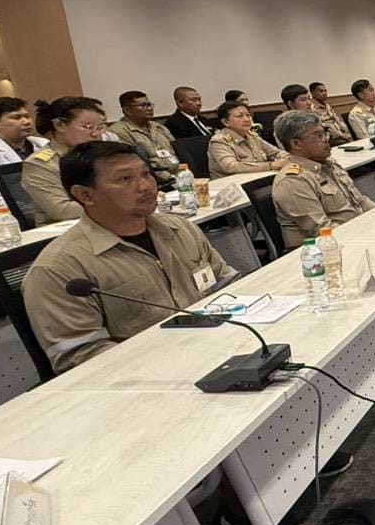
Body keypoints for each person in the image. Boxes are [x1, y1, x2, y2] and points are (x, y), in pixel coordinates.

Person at [22, 141, 238, 373]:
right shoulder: (58, 269)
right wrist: (175, 362)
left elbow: (228, 286)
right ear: (85, 194)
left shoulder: (180, 228)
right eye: (125, 179)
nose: (145, 186)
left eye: (146, 174)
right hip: (153, 379)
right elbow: (81, 356)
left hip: (218, 350)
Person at [271, 110, 375, 248]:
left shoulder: (329, 164)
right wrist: (369, 236)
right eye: (319, 136)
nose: (327, 139)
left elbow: (361, 201)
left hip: (356, 234)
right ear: (296, 144)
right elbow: (323, 230)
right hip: (323, 252)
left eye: (325, 133)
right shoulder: (292, 181)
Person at [23, 97, 108, 225]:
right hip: (63, 232)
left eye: (100, 127)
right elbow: (63, 211)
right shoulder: (40, 163)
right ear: (59, 125)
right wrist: (116, 201)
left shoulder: (101, 154)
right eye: (89, 127)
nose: (96, 134)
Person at [108, 90, 181, 189]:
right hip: (156, 182)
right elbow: (137, 164)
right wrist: (172, 178)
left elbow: (179, 150)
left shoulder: (158, 127)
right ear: (127, 110)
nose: (150, 108)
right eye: (143, 106)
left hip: (180, 175)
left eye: (150, 105)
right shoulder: (119, 132)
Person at [208, 100, 287, 176]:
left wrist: (287, 159)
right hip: (231, 185)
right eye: (239, 116)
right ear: (226, 122)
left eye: (248, 115)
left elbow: (276, 152)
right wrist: (271, 165)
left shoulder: (252, 136)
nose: (246, 119)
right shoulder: (219, 141)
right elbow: (231, 167)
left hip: (257, 180)